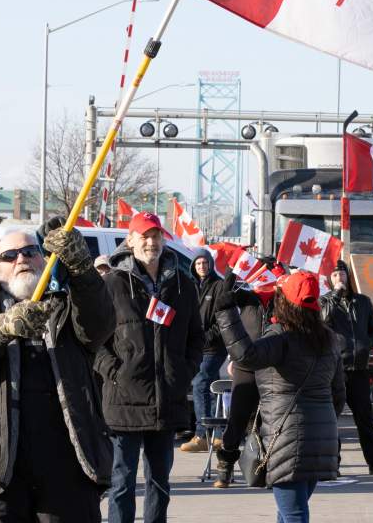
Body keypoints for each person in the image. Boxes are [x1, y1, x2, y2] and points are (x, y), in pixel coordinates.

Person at [0, 226, 115, 522]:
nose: (21, 258)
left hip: (69, 463)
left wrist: (84, 271)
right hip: (1, 466)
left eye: (30, 251)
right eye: (9, 255)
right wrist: (0, 331)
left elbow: (100, 327)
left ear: (44, 260)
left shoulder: (67, 300)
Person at [98, 212, 204, 523]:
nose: (151, 242)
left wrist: (185, 370)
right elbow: (93, 340)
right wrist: (114, 372)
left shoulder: (183, 284)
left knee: (160, 483)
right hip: (124, 402)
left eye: (156, 235)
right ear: (129, 240)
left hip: (167, 399)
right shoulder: (112, 284)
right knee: (122, 482)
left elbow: (197, 337)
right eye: (144, 235)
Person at [217, 269, 346, 523]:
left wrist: (225, 310)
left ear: (285, 303)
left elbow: (246, 356)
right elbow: (339, 395)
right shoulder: (329, 340)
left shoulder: (282, 338)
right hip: (322, 439)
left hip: (288, 438)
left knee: (294, 514)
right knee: (288, 511)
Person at [320, 260, 373, 475]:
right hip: (337, 370)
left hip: (360, 369)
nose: (339, 278)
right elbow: (323, 320)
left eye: (342, 274)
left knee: (365, 420)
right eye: (335, 276)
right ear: (329, 280)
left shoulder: (362, 301)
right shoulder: (325, 301)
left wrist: (366, 344)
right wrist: (335, 296)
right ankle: (331, 464)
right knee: (332, 420)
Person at [213, 265, 273, 488]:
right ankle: (225, 468)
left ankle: (265, 468)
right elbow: (222, 300)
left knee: (268, 421)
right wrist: (232, 273)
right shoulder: (247, 297)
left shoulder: (282, 299)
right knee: (237, 418)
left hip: (272, 368)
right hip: (245, 365)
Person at [181, 249, 229, 453]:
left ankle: (201, 434)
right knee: (209, 388)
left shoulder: (218, 286)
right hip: (195, 346)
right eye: (198, 263)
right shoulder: (190, 286)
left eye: (205, 263)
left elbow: (221, 320)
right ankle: (217, 435)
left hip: (213, 347)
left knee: (200, 382)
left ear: (210, 264)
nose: (202, 266)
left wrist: (204, 337)